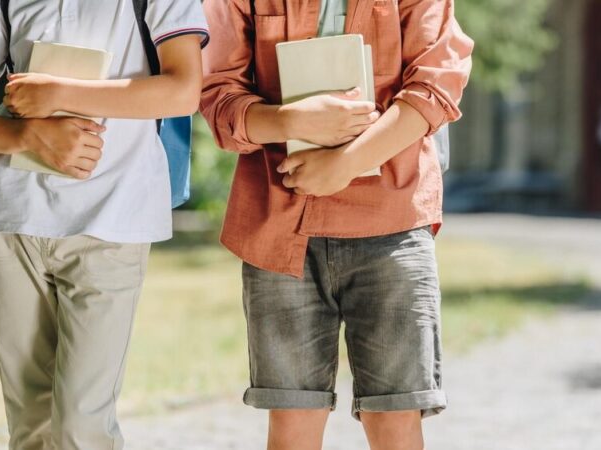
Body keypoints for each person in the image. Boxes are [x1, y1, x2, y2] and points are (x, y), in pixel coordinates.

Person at [200, 1, 473, 449]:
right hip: (280, 227)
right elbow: (218, 97)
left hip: (393, 224)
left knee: (396, 419)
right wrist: (290, 120)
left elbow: (435, 84)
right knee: (291, 425)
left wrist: (346, 163)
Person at [0, 1, 208, 448]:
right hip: (14, 218)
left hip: (112, 218)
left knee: (82, 427)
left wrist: (61, 94)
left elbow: (184, 90)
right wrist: (26, 135)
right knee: (30, 426)